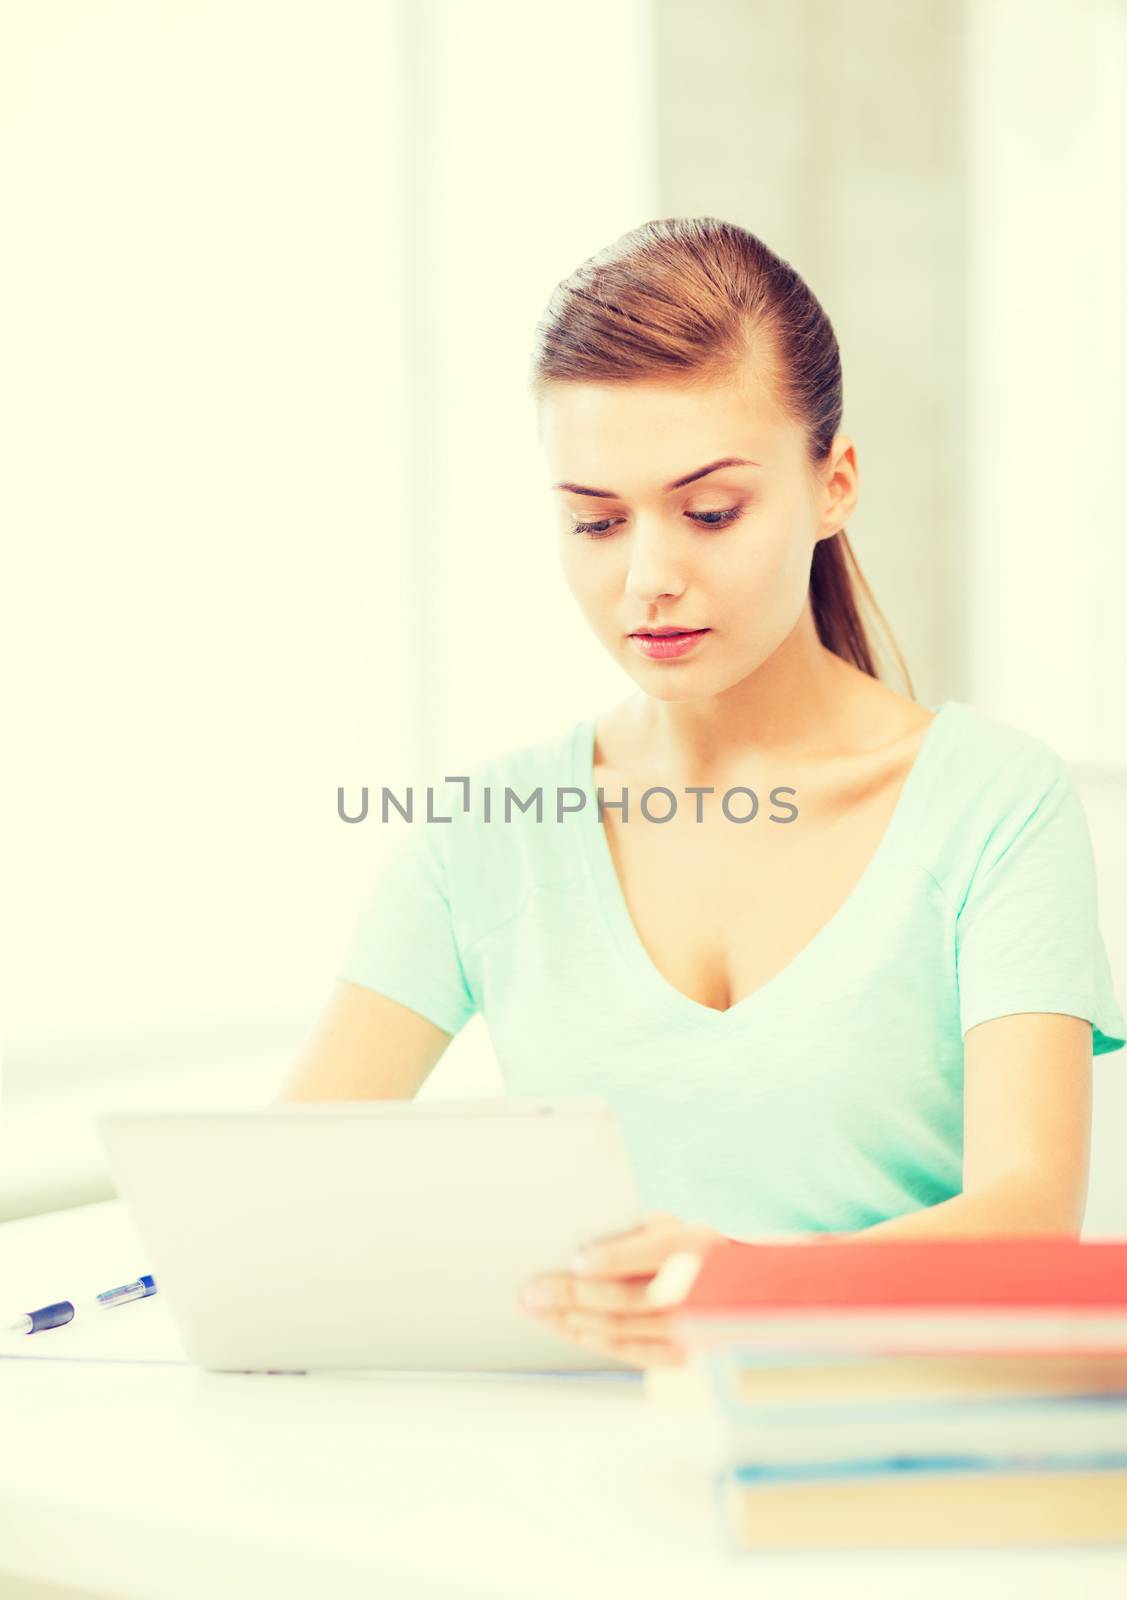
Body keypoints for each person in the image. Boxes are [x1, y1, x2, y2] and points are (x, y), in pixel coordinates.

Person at [276, 217, 1125, 1370]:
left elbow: (1027, 1217)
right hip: (565, 1476)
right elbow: (283, 1186)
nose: (647, 579)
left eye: (710, 511)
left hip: (884, 1456)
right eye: (595, 520)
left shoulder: (994, 802)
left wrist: (744, 1290)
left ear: (833, 486)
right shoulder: (486, 831)